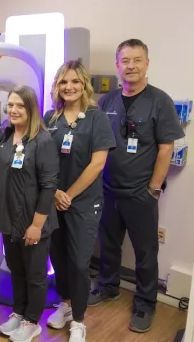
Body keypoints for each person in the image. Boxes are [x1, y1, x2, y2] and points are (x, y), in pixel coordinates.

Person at [88, 39, 185, 333]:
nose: (130, 66)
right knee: (108, 245)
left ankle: (145, 304)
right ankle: (108, 287)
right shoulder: (107, 101)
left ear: (146, 64)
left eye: (136, 60)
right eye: (125, 61)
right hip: (107, 190)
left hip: (141, 193)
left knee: (145, 253)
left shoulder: (160, 101)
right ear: (117, 65)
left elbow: (166, 148)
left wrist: (154, 188)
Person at [0, 86, 60, 342]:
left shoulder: (43, 141)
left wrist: (37, 225)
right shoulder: (7, 135)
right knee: (16, 269)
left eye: (20, 105)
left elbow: (49, 185)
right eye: (11, 105)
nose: (14, 110)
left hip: (33, 219)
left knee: (36, 275)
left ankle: (32, 322)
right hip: (8, 216)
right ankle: (18, 313)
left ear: (31, 109)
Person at [43, 61, 116, 342]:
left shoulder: (96, 118)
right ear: (57, 87)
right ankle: (65, 303)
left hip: (83, 203)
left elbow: (98, 164)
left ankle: (79, 320)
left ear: (84, 85)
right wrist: (53, 193)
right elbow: (42, 159)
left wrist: (68, 194)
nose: (69, 87)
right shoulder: (50, 118)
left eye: (74, 81)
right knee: (58, 257)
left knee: (78, 262)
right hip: (52, 200)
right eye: (63, 82)